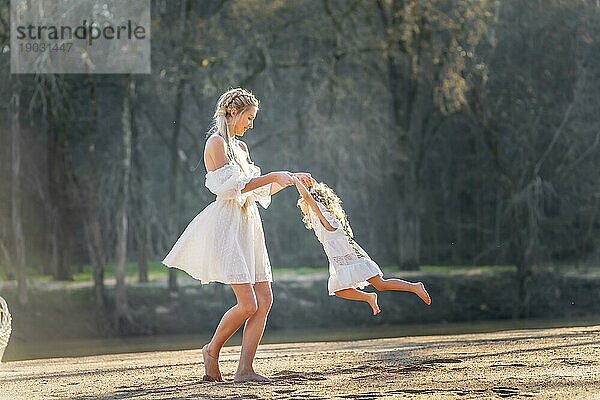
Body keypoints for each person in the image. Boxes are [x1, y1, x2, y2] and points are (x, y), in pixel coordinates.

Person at [162, 88, 310, 382]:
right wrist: (272, 175)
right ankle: (211, 350)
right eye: (249, 118)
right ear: (232, 113)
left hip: (249, 227)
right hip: (227, 227)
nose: (251, 124)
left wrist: (290, 180)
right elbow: (233, 188)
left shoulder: (241, 149)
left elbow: (259, 189)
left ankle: (245, 369)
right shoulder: (215, 144)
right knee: (248, 304)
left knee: (264, 299)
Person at [293, 176, 431, 315]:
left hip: (350, 255)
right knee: (338, 289)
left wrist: (294, 179)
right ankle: (369, 297)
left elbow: (309, 197)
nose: (306, 205)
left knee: (380, 284)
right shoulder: (320, 215)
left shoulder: (327, 219)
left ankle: (415, 287)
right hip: (338, 257)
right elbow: (311, 196)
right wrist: (309, 180)